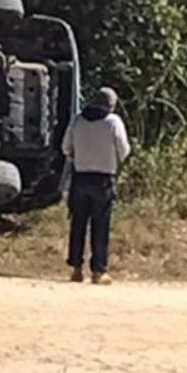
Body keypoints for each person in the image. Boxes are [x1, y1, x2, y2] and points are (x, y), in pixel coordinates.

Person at [62, 86, 131, 285]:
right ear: (111, 104)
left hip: (80, 177)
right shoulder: (113, 122)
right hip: (103, 179)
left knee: (78, 224)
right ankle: (98, 271)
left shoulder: (77, 120)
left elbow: (66, 147)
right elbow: (123, 150)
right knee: (100, 226)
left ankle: (76, 269)